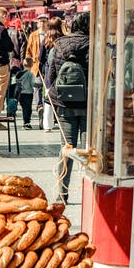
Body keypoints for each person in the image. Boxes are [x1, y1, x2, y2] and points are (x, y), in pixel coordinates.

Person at [46, 12, 89, 204]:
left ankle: (62, 192)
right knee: (90, 150)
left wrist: (53, 97)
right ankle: (92, 189)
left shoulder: (59, 44)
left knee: (66, 148)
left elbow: (51, 75)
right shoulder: (94, 45)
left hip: (64, 104)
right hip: (89, 104)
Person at [43, 16, 68, 132]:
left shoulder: (47, 38)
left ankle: (47, 125)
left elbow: (40, 57)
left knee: (49, 99)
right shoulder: (64, 38)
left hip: (49, 72)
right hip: (62, 70)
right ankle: (62, 120)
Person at [25, 13, 49, 128]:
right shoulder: (33, 35)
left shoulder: (50, 35)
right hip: (36, 65)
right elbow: (28, 51)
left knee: (48, 88)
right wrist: (29, 65)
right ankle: (40, 107)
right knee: (37, 87)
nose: (42, 23)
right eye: (40, 21)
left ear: (47, 22)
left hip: (48, 65)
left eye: (44, 21)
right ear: (37, 23)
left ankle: (47, 109)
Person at [15, 57, 36, 129]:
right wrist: (40, 84)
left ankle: (25, 122)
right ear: (32, 65)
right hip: (28, 93)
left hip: (20, 93)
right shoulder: (30, 74)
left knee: (24, 108)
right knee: (28, 108)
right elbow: (33, 84)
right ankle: (27, 123)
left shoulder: (18, 74)